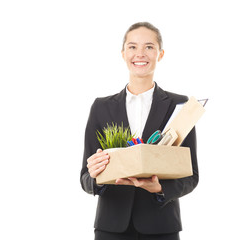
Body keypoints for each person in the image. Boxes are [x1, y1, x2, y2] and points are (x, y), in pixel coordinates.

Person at [80, 22, 199, 240]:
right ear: (123, 53)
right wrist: (97, 176)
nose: (140, 54)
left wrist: (160, 188)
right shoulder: (101, 107)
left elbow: (191, 176)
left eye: (149, 47)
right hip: (111, 227)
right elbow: (85, 178)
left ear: (160, 54)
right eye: (133, 47)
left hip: (161, 226)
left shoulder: (180, 106)